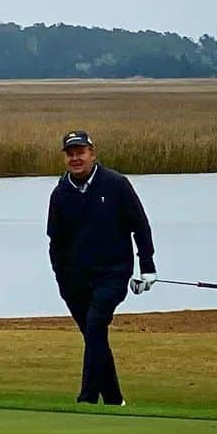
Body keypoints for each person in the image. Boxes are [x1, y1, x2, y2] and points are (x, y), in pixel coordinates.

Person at [46, 130, 156, 406]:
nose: (75, 158)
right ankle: (114, 400)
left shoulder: (116, 184)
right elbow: (55, 241)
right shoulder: (61, 193)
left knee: (95, 326)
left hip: (113, 274)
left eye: (80, 152)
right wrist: (61, 278)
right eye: (70, 154)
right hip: (74, 281)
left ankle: (86, 399)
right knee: (95, 336)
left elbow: (139, 226)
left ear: (92, 154)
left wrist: (147, 267)